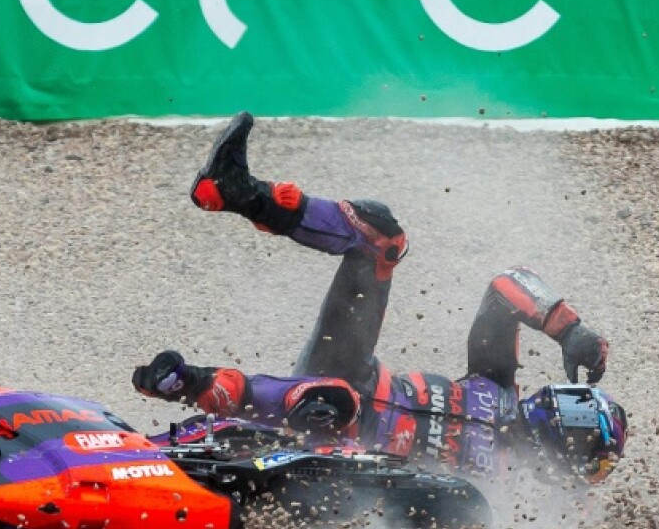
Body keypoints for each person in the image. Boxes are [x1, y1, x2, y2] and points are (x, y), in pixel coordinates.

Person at [133, 112, 628, 484]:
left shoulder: (514, 494)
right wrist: (567, 327)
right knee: (381, 238)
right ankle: (238, 191)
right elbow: (506, 285)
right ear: (571, 420)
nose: (582, 471)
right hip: (344, 371)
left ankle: (186, 381)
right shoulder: (497, 382)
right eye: (589, 454)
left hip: (354, 461)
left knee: (334, 401)